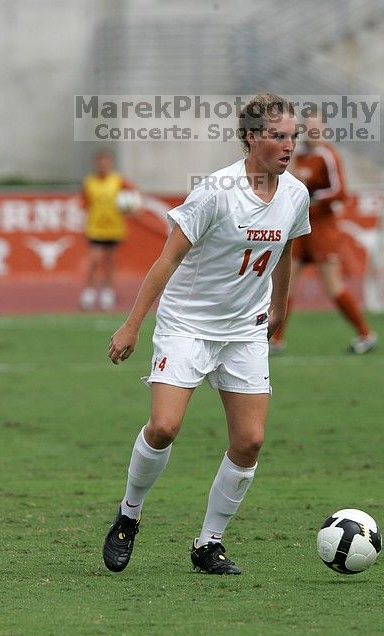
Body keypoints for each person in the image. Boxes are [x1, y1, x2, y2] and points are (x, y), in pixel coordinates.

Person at [102, 93, 311, 575]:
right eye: (279, 136)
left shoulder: (295, 194)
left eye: (293, 137)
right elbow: (167, 259)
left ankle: (208, 543)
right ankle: (128, 517)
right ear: (252, 137)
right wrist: (133, 324)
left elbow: (289, 249)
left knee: (250, 441)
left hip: (244, 331)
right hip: (187, 326)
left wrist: (279, 307)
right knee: (164, 427)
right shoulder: (215, 191)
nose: (289, 146)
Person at [270, 117, 377, 354]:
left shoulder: (328, 155)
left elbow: (340, 191)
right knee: (284, 285)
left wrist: (312, 198)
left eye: (316, 126)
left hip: (322, 228)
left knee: (332, 286)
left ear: (324, 129)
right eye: (307, 127)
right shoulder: (300, 156)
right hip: (300, 229)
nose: (311, 131)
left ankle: (365, 334)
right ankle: (275, 339)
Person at [79, 150, 135, 311]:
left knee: (110, 260)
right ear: (96, 163)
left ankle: (107, 291)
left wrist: (130, 206)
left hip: (114, 226)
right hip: (95, 227)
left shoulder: (118, 181)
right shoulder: (89, 182)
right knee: (95, 259)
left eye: (106, 161)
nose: (103, 165)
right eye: (100, 161)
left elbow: (135, 194)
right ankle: (89, 292)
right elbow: (85, 204)